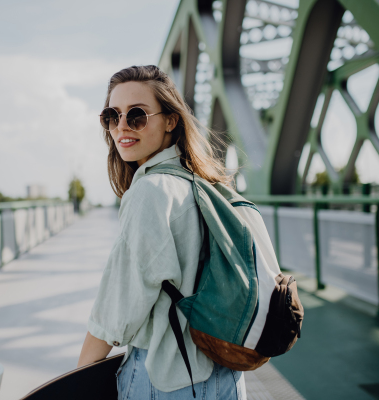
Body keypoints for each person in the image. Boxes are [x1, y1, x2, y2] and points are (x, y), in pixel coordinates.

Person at [77, 65, 247, 399]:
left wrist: (72, 385)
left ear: (170, 120)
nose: (122, 126)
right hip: (224, 375)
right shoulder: (203, 184)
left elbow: (114, 316)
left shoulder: (150, 193)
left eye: (137, 115)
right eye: (112, 115)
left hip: (170, 381)